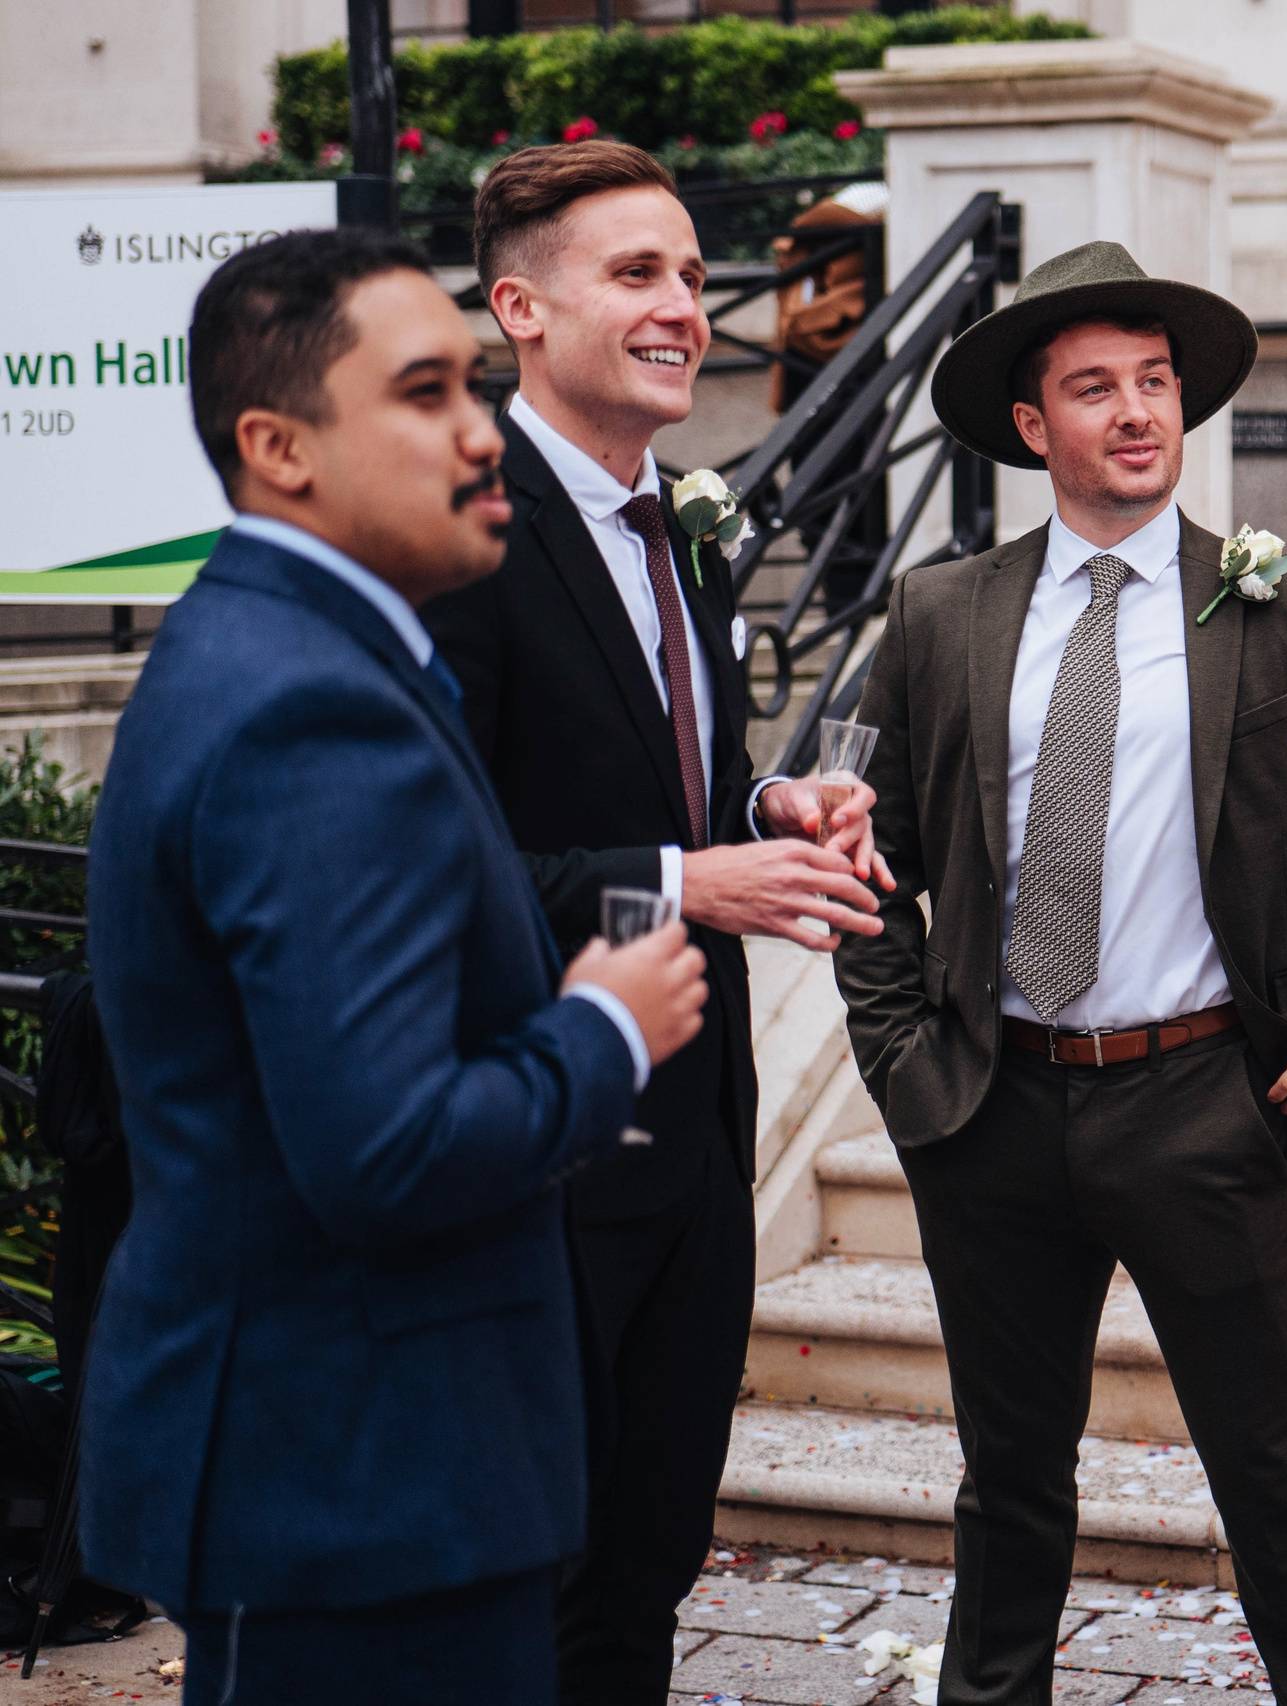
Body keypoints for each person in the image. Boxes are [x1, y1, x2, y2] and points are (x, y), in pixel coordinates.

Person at [79, 227, 708, 1703]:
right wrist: (600, 1032)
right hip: (357, 1481)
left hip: (358, 1471)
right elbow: (387, 1151)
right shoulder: (308, 707)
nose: (483, 431)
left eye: (477, 389)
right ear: (277, 446)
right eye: (426, 393)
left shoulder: (293, 645)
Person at [834, 239, 1287, 1706]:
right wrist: (905, 1064)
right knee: (1008, 1476)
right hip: (994, 1101)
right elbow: (867, 855)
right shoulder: (941, 613)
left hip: (1205, 1094)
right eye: (1095, 388)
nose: (1137, 411)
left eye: (1155, 382)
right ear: (1034, 428)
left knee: (1274, 1470)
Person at [420, 140, 882, 1706]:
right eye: (638, 274)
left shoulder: (687, 530)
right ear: (520, 311)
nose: (685, 305)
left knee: (647, 1557)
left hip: (695, 1135)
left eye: (692, 273)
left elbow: (693, 782)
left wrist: (769, 815)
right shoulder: (461, 535)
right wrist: (691, 882)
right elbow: (442, 863)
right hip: (538, 1140)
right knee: (534, 1575)